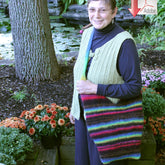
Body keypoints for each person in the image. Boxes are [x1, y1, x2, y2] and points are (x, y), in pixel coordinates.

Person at [69, 0, 143, 165]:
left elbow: (134, 87)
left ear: (114, 12)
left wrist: (96, 88)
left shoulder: (124, 43)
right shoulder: (87, 34)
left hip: (107, 123)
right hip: (83, 118)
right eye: (92, 9)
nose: (96, 15)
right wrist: (75, 107)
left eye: (102, 10)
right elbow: (81, 73)